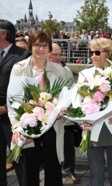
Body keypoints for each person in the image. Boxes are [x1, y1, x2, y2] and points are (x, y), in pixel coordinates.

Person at [8, 30, 71, 186]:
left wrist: (62, 108)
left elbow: (64, 96)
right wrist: (17, 126)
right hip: (27, 125)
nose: (40, 49)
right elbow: (13, 100)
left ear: (49, 49)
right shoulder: (19, 68)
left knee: (53, 168)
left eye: (44, 45)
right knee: (29, 169)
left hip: (52, 125)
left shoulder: (58, 70)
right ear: (31, 46)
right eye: (36, 44)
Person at [79, 38, 112, 186]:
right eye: (91, 52)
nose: (92, 56)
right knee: (96, 176)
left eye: (96, 52)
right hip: (92, 131)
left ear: (108, 54)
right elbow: (77, 101)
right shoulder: (84, 74)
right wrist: (82, 118)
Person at [0, 19, 31, 186]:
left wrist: (6, 107)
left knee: (18, 158)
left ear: (4, 34)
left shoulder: (23, 56)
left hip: (13, 116)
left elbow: (26, 89)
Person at [48, 43, 80, 184]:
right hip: (46, 117)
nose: (57, 57)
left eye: (60, 54)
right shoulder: (40, 69)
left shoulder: (66, 70)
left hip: (65, 116)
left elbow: (73, 90)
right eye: (54, 54)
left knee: (68, 145)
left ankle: (69, 171)